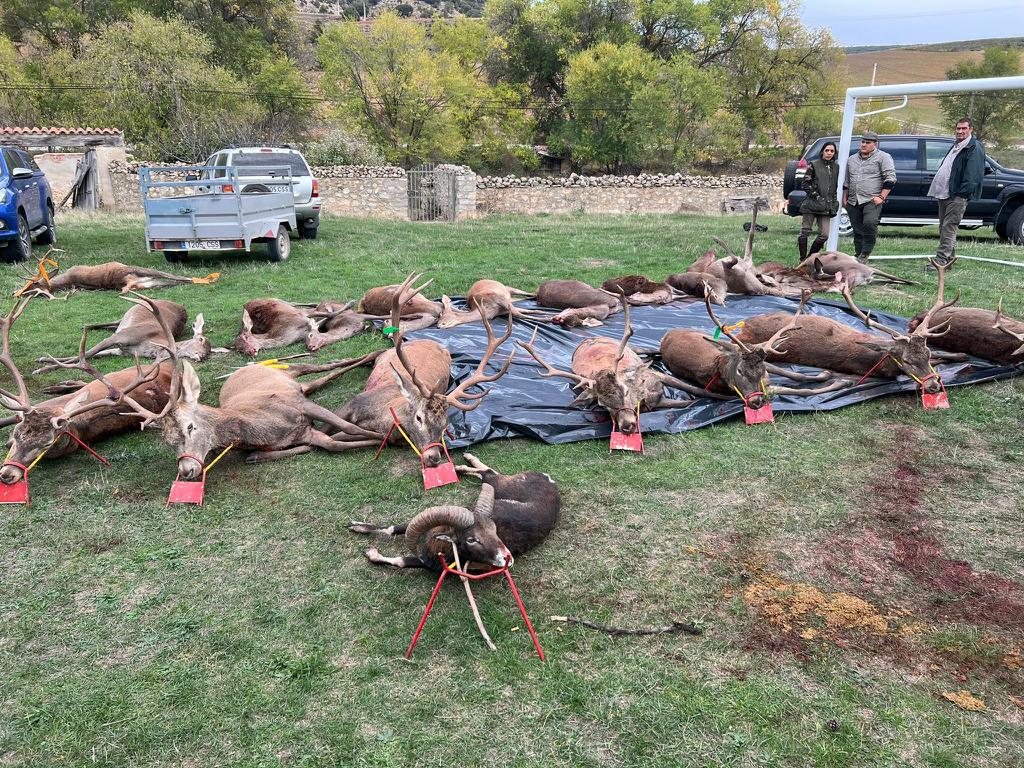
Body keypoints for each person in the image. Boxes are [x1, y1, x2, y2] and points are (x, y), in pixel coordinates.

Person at [927, 117, 986, 268]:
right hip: (945, 193)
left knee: (948, 227)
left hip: (957, 196)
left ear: (970, 129)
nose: (960, 131)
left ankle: (940, 261)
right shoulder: (957, 145)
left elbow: (973, 175)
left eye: (964, 128)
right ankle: (949, 261)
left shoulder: (974, 147)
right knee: (944, 227)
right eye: (958, 128)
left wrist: (961, 194)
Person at [843, 131, 896, 263]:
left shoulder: (883, 157)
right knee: (857, 228)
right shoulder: (851, 159)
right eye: (862, 142)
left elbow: (890, 178)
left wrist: (881, 197)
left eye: (868, 142)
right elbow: (847, 181)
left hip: (872, 199)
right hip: (853, 200)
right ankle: (859, 253)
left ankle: (866, 252)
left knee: (870, 223)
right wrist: (845, 199)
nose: (864, 145)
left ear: (875, 144)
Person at [797, 141, 839, 262]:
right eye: (827, 150)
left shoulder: (836, 167)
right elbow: (805, 183)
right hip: (812, 204)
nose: (829, 153)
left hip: (827, 206)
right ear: (822, 152)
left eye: (832, 151)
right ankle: (802, 258)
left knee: (824, 235)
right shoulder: (813, 165)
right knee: (805, 231)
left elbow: (835, 186)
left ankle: (810, 258)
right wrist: (817, 197)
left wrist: (834, 201)